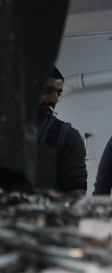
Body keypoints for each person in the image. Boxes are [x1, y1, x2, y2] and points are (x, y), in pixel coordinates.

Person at [32, 67, 86, 196]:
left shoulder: (66, 136)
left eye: (58, 93)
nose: (54, 99)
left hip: (42, 215)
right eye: (47, 91)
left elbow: (76, 195)